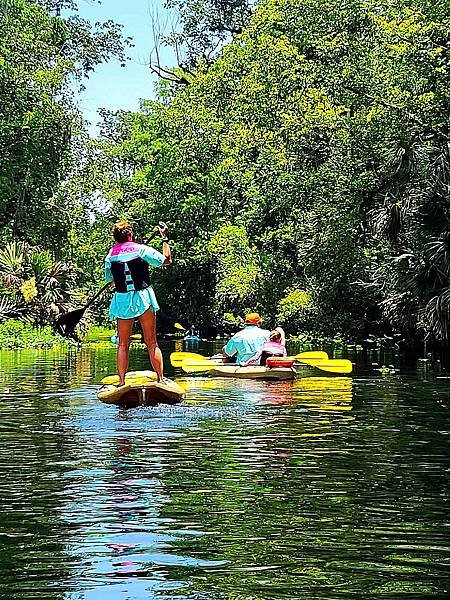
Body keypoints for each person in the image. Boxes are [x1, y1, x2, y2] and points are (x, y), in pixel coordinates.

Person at [104, 220, 171, 385]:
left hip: (122, 300)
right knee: (151, 341)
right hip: (143, 298)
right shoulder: (142, 249)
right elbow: (166, 261)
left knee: (123, 344)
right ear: (129, 235)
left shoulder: (110, 256)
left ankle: (121, 382)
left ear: (116, 238)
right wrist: (164, 239)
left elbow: (110, 281)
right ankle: (161, 379)